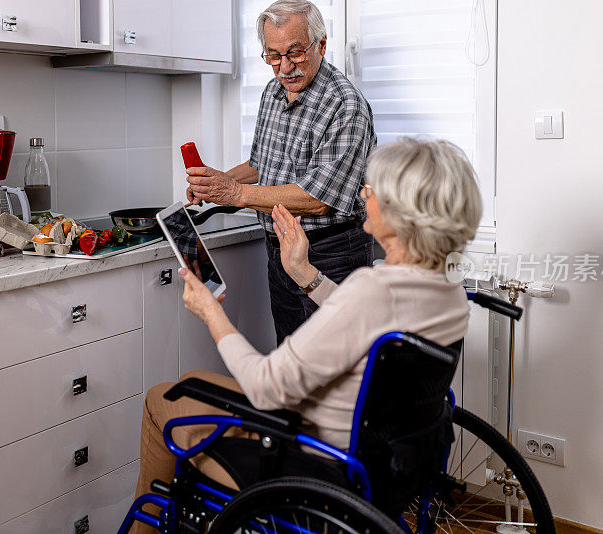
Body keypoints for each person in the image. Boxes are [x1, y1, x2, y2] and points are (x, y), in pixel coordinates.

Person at [131, 138, 484, 533]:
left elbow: (266, 387)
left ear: (403, 213)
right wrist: (303, 272)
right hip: (393, 462)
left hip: (313, 458)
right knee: (189, 383)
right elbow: (368, 321)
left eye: (372, 188)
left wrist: (212, 313)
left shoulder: (373, 289)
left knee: (160, 399)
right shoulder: (445, 288)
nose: (362, 193)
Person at [185, 0, 377, 343]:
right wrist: (214, 183)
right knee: (291, 359)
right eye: (273, 55)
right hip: (278, 250)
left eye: (295, 52)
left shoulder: (346, 104)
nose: (285, 67)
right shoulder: (273, 93)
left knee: (332, 369)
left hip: (331, 254)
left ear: (321, 44)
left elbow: (318, 199)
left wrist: (233, 193)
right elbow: (260, 165)